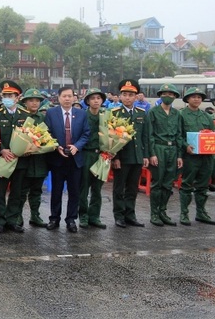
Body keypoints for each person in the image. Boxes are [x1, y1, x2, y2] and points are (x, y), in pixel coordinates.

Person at [44, 86, 90, 233]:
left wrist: (77, 146)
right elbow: (47, 133)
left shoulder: (81, 114)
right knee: (56, 191)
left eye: (70, 96)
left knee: (74, 191)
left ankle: (71, 219)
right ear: (59, 98)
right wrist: (56, 146)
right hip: (58, 158)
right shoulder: (51, 113)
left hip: (75, 159)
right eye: (64, 96)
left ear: (74, 97)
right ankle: (54, 218)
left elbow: (86, 134)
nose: (67, 99)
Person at [111, 79, 149, 228]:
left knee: (133, 188)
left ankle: (130, 215)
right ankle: (119, 216)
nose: (127, 97)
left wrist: (145, 155)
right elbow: (111, 138)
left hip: (137, 156)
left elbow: (145, 135)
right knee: (119, 188)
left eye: (131, 95)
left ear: (136, 97)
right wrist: (115, 157)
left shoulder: (141, 113)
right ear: (120, 96)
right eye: (125, 94)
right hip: (122, 157)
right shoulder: (114, 113)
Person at [0, 80, 29, 233]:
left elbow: (30, 136)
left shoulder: (26, 115)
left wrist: (25, 149)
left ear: (17, 97)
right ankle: (0, 221)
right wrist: (2, 150)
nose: (7, 97)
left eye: (10, 95)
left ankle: (12, 220)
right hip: (3, 159)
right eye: (5, 95)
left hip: (20, 160)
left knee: (16, 191)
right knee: (0, 191)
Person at [145, 83, 183, 227]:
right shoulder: (153, 112)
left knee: (168, 183)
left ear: (174, 97)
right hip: (159, 148)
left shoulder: (176, 114)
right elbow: (150, 135)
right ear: (160, 95)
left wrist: (179, 155)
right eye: (165, 94)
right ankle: (154, 213)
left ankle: (163, 211)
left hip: (172, 149)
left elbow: (179, 135)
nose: (168, 96)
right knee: (157, 182)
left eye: (171, 94)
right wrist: (152, 154)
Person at [180, 87, 215, 225]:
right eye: (193, 97)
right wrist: (186, 146)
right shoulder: (181, 115)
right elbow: (178, 135)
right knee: (187, 185)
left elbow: (214, 133)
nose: (196, 99)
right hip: (191, 157)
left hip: (206, 156)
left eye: (199, 97)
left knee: (203, 185)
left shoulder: (206, 116)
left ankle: (201, 212)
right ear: (187, 99)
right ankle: (184, 213)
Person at [17, 88, 48, 228]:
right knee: (22, 190)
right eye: (31, 100)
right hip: (25, 160)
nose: (35, 103)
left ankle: (35, 215)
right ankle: (18, 216)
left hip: (40, 160)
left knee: (37, 190)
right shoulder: (21, 116)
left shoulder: (43, 118)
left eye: (37, 100)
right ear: (25, 102)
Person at [79, 88, 108, 229]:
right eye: (92, 98)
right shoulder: (82, 116)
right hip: (86, 154)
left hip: (102, 155)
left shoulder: (106, 116)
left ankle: (94, 216)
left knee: (97, 188)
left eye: (98, 98)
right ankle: (83, 216)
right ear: (88, 101)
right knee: (84, 187)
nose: (96, 101)